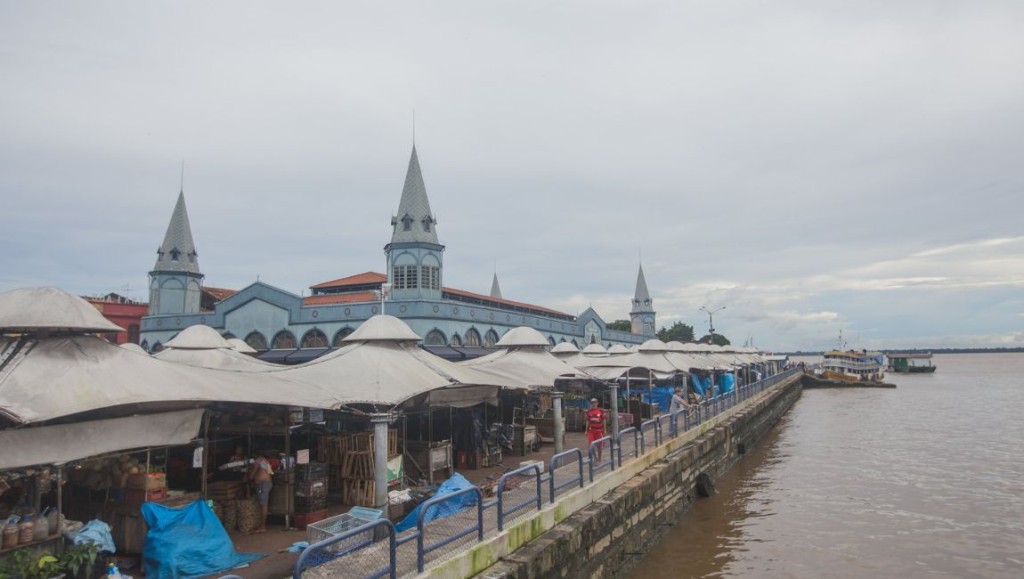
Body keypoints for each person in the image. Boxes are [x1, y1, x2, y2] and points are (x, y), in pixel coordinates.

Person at [245, 452, 274, 533]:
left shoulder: (258, 461)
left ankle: (262, 526)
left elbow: (251, 476)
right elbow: (270, 472)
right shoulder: (265, 461)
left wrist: (248, 476)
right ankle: (261, 524)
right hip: (267, 483)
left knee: (263, 505)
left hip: (263, 485)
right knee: (263, 504)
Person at [585, 398, 608, 463]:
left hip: (599, 431)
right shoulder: (588, 412)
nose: (593, 404)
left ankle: (599, 458)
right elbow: (587, 421)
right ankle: (595, 458)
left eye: (595, 402)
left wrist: (605, 430)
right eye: (592, 403)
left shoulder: (601, 411)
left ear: (597, 403)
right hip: (591, 431)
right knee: (591, 445)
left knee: (599, 446)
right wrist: (586, 430)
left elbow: (604, 420)